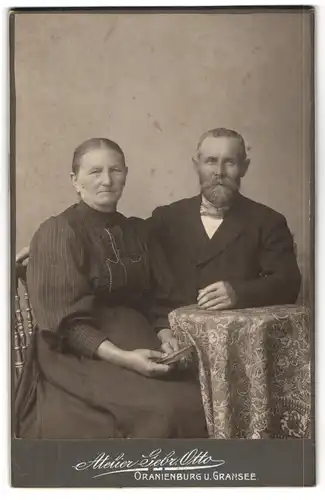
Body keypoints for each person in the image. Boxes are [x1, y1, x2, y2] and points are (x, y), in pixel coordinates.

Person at [14, 138, 207, 439]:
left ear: (126, 175)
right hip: (79, 351)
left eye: (115, 170)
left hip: (138, 337)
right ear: (75, 180)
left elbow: (161, 298)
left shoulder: (138, 230)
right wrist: (124, 358)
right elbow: (65, 324)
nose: (107, 180)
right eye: (95, 172)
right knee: (159, 413)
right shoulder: (57, 232)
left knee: (195, 405)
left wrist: (165, 333)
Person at [149, 128, 301, 318]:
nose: (219, 172)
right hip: (172, 337)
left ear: (244, 167)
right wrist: (162, 329)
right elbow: (148, 286)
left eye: (230, 162)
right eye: (210, 161)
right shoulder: (166, 218)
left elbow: (288, 283)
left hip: (239, 340)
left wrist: (239, 293)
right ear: (196, 165)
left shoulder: (268, 221)